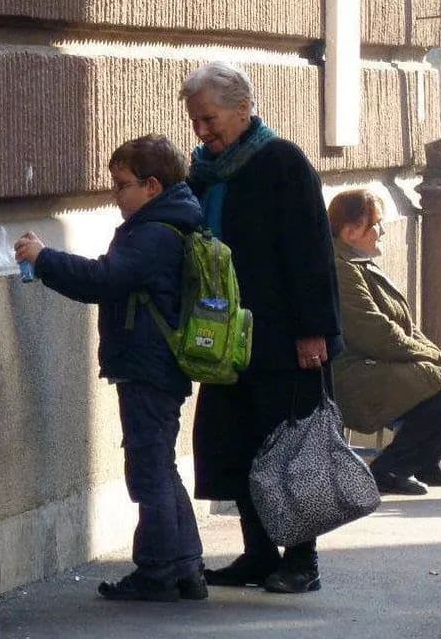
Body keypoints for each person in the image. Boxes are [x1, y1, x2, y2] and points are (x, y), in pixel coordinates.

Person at [14, 134, 206, 602]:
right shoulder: (169, 223)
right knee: (158, 465)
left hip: (147, 364)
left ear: (153, 186)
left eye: (121, 185)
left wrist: (44, 260)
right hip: (155, 362)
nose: (115, 195)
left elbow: (104, 280)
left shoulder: (155, 233)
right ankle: (185, 568)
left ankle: (158, 571)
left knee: (148, 471)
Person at [179, 62, 343, 594]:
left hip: (282, 336)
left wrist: (313, 330)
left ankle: (302, 560)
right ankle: (256, 553)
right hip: (227, 337)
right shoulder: (203, 171)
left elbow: (311, 251)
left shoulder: (282, 162)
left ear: (244, 109)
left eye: (209, 119)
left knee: (290, 451)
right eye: (195, 121)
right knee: (238, 444)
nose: (202, 132)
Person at [328, 189, 441, 495]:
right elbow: (372, 331)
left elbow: (402, 324)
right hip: (356, 371)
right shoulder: (342, 268)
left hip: (381, 361)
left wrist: (429, 352)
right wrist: (426, 355)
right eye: (376, 225)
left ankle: (426, 461)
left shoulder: (359, 261)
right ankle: (388, 468)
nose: (381, 231)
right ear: (350, 231)